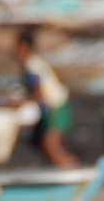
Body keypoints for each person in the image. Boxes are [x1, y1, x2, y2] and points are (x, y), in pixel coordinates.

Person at [13, 27, 77, 168]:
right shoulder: (31, 64)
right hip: (51, 107)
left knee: (49, 143)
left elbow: (39, 93)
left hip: (55, 106)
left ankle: (69, 167)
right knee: (38, 141)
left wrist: (22, 103)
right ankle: (62, 165)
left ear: (25, 48)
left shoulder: (32, 65)